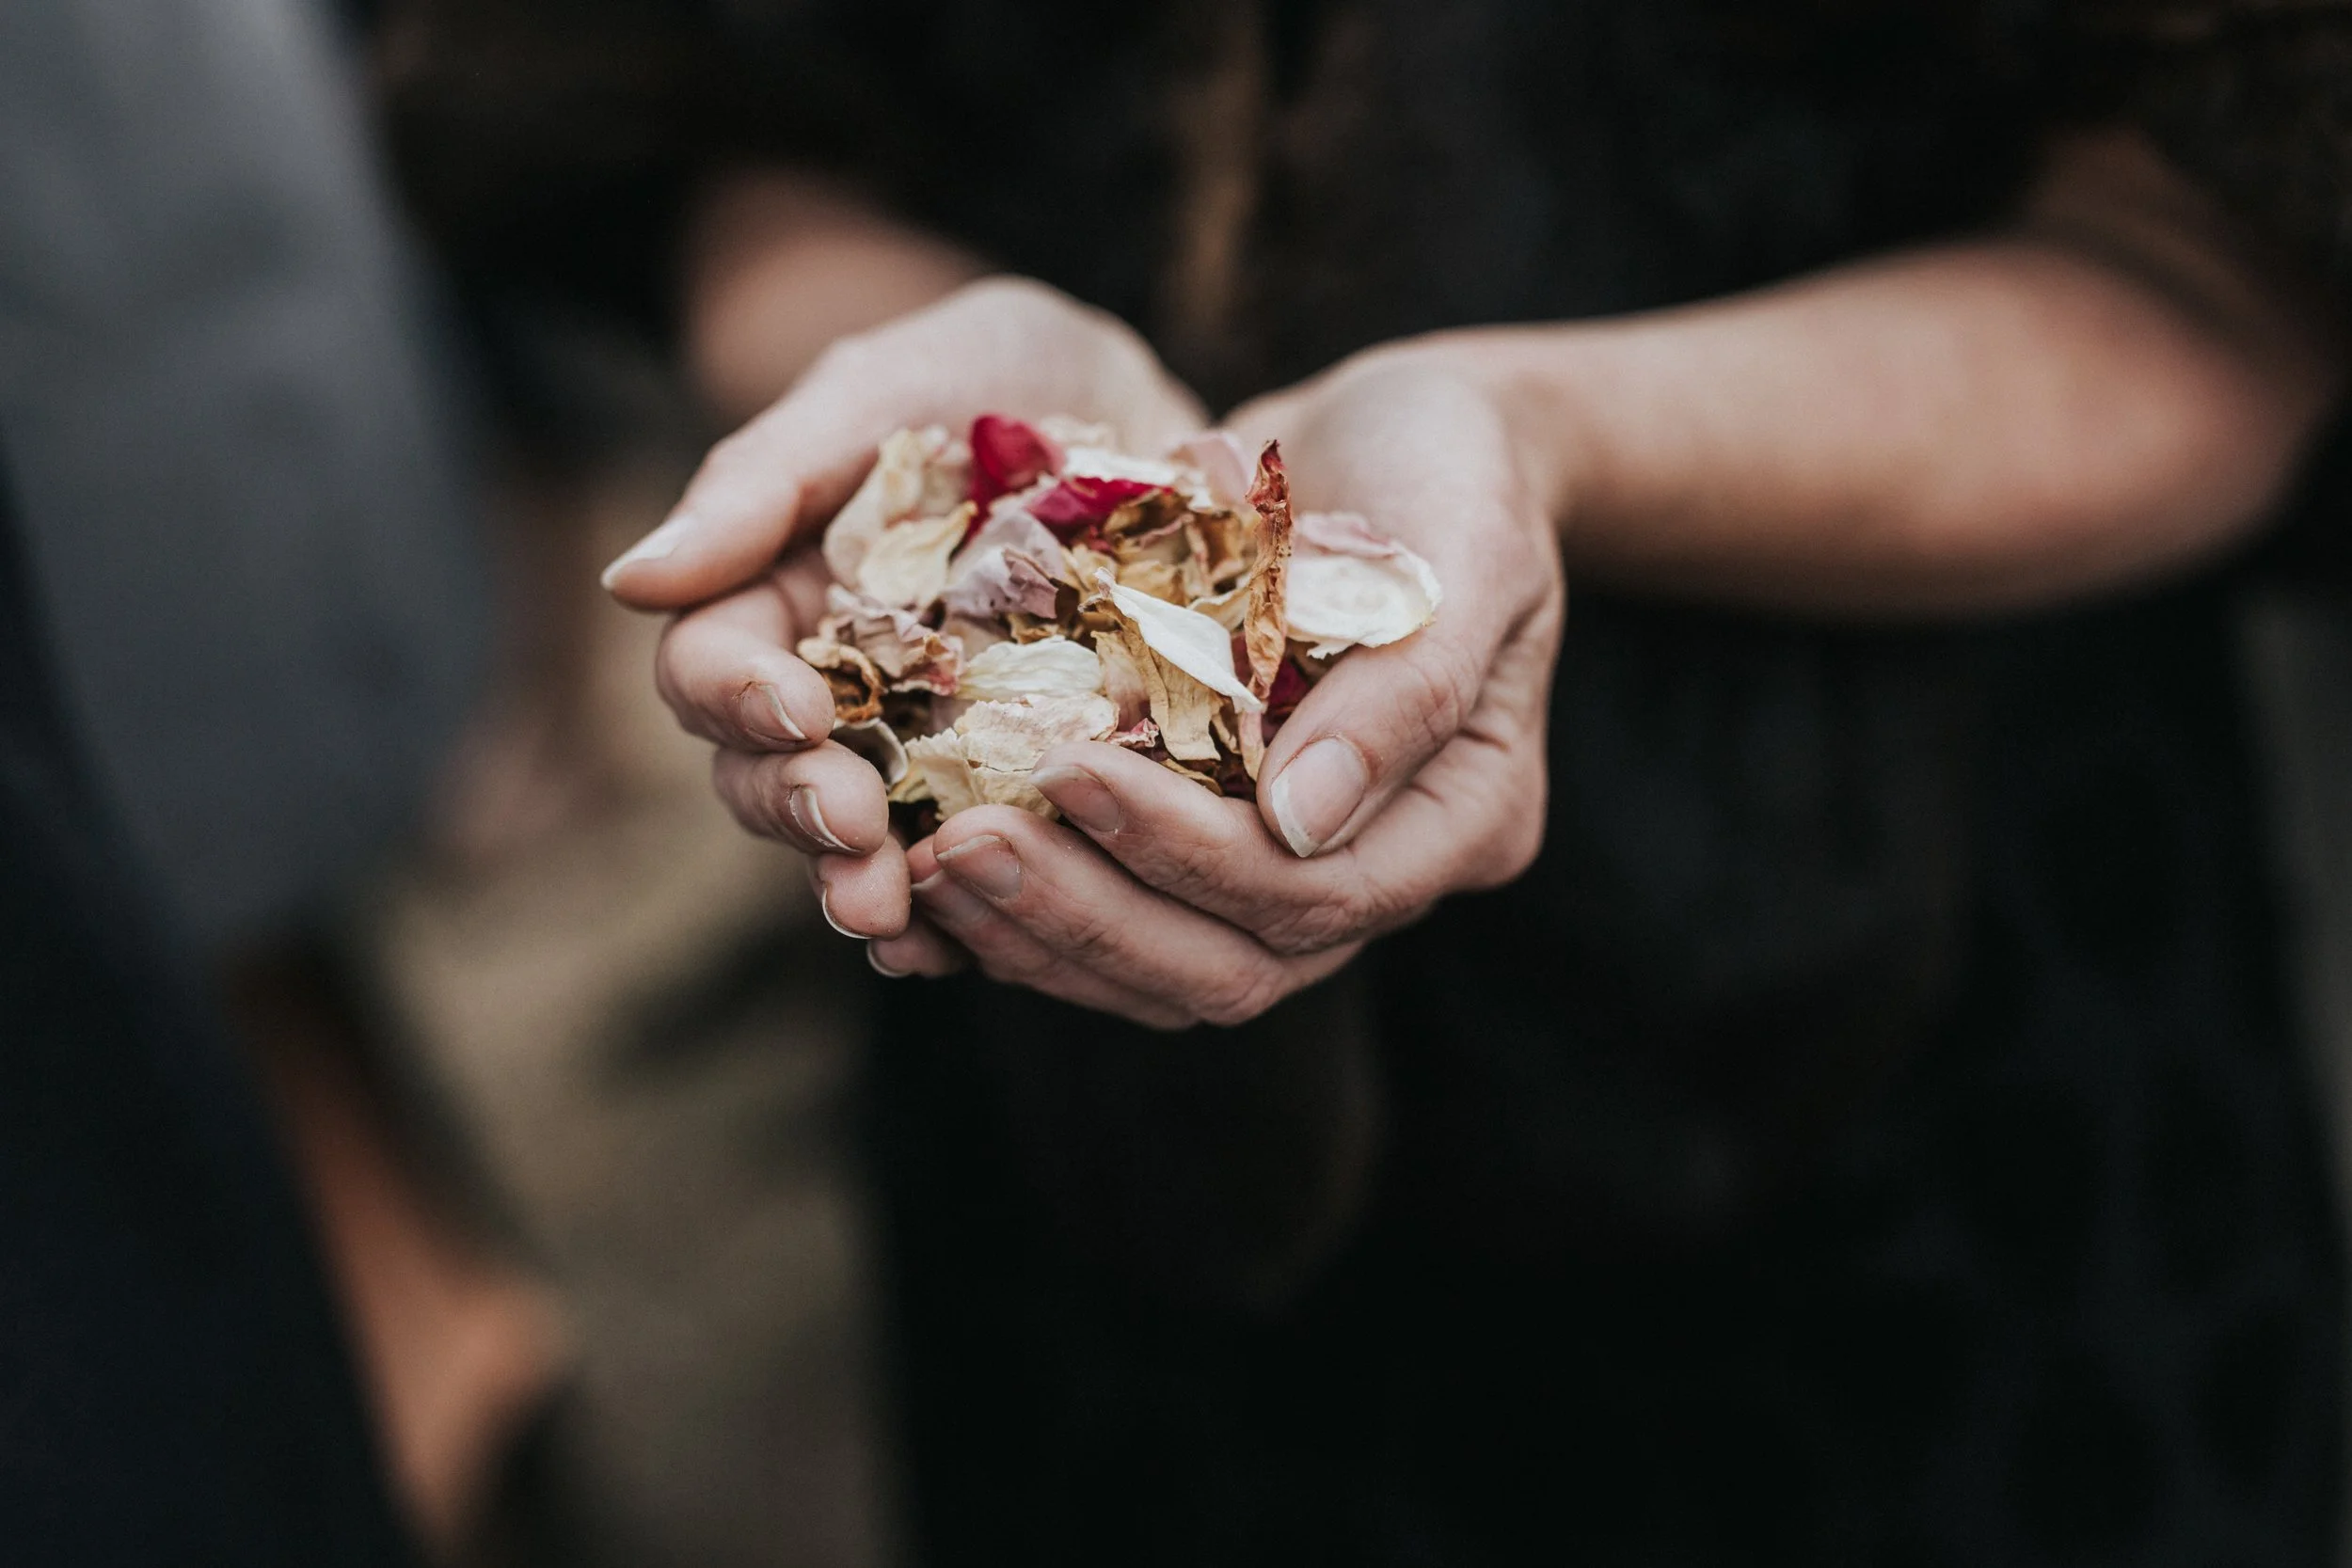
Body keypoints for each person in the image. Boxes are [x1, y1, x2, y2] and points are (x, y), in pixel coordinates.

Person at [394, 1, 2352, 1560]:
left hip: (1928, 1025)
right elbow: (708, 106)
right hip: (1075, 1104)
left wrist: (1544, 433)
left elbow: (2218, 266)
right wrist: (909, 398)